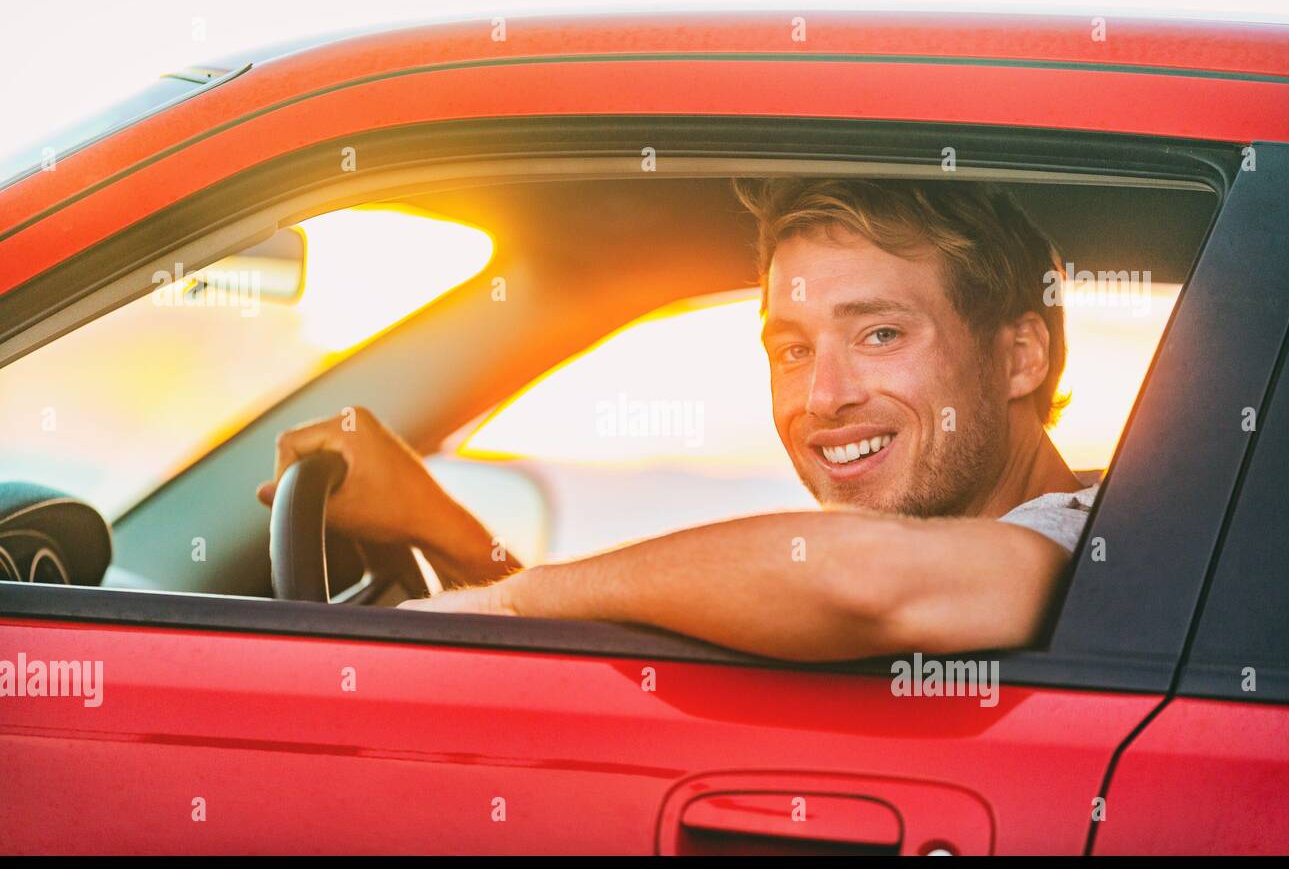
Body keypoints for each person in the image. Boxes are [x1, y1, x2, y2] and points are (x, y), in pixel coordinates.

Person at [257, 178, 1098, 662]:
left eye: (880, 334)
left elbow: (862, 581)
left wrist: (511, 605)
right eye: (793, 349)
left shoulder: (1080, 542)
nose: (821, 398)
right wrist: (454, 542)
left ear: (1021, 355)